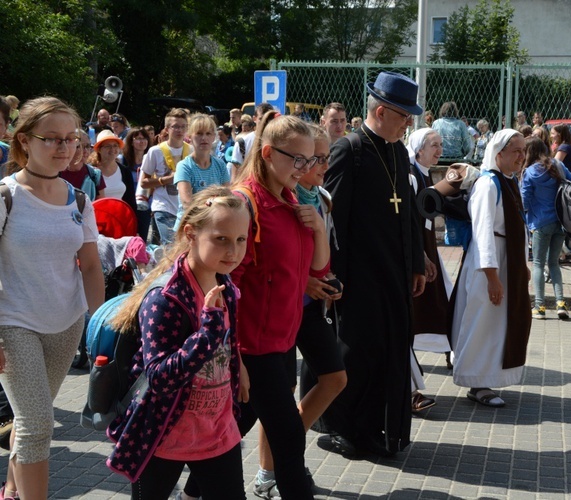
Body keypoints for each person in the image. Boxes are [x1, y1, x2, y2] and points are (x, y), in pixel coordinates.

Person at [106, 186, 249, 499]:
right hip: (162, 435)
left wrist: (239, 367)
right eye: (221, 239)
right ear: (192, 234)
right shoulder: (166, 298)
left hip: (216, 430)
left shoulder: (224, 281)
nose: (233, 251)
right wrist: (208, 331)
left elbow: (228, 341)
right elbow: (158, 376)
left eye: (241, 239)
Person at [0, 96, 104, 500]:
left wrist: (99, 326)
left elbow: (91, 267)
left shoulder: (79, 199)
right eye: (52, 139)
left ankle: (11, 488)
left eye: (71, 139)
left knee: (32, 423)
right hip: (14, 324)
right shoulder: (7, 195)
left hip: (67, 324)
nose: (65, 148)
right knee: (38, 424)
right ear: (24, 141)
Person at [320, 71, 426, 457]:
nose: (409, 123)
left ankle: (377, 426)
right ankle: (344, 430)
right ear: (381, 111)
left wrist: (417, 261)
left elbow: (409, 213)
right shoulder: (350, 149)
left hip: (394, 276)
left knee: (387, 356)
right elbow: (332, 221)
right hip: (359, 279)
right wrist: (333, 278)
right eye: (404, 115)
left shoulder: (398, 150)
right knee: (356, 357)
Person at [231, 112, 328, 498]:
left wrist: (317, 226)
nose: (306, 169)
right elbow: (226, 285)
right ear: (269, 153)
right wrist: (233, 356)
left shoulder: (290, 199)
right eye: (298, 160)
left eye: (312, 160)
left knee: (232, 428)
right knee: (288, 438)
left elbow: (318, 267)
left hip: (282, 340)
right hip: (252, 346)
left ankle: (188, 489)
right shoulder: (245, 203)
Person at [451, 130, 531, 407]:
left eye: (523, 151)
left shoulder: (508, 181)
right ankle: (477, 382)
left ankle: (487, 377)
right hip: (492, 263)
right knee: (483, 322)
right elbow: (483, 231)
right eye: (516, 151)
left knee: (497, 324)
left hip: (506, 261)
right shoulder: (488, 184)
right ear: (499, 154)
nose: (522, 156)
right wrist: (492, 277)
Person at [407, 128, 451, 412]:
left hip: (426, 250)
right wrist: (420, 255)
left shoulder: (424, 173)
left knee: (442, 302)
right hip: (416, 254)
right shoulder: (411, 175)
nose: (439, 150)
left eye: (440, 145)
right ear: (418, 149)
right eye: (434, 145)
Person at [521, 137, 571, 320]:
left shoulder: (529, 172)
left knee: (538, 263)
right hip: (561, 222)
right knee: (554, 263)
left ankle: (540, 306)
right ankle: (560, 303)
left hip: (539, 223)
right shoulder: (557, 165)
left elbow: (524, 200)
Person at [139, 108, 191, 244]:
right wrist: (166, 180)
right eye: (175, 127)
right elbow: (143, 182)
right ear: (167, 129)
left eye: (183, 126)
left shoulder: (191, 150)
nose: (179, 130)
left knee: (164, 249)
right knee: (171, 246)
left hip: (185, 208)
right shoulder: (155, 151)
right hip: (163, 206)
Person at [173, 114, 230, 228]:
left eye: (208, 133)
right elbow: (187, 204)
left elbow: (227, 197)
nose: (204, 138)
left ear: (214, 137)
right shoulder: (184, 166)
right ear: (190, 137)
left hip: (214, 225)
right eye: (199, 133)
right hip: (190, 227)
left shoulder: (220, 165)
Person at [119, 127, 152, 241]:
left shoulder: (151, 160)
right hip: (127, 205)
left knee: (141, 239)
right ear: (131, 142)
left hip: (144, 206)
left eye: (144, 138)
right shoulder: (122, 160)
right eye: (138, 138)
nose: (142, 141)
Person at [91, 130, 137, 212]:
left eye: (115, 146)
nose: (112, 149)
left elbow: (131, 201)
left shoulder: (125, 171)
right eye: (107, 146)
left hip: (119, 219)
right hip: (97, 219)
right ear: (99, 149)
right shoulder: (91, 172)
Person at [59, 128, 105, 201]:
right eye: (80, 146)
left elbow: (101, 206)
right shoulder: (56, 173)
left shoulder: (95, 174)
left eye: (88, 146)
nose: (86, 151)